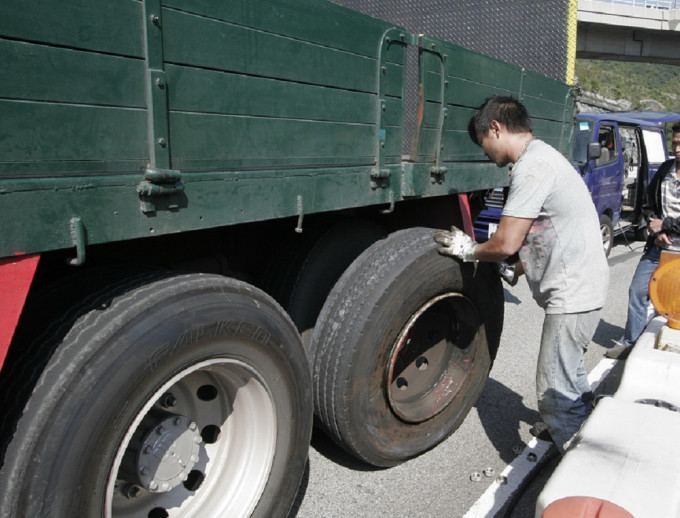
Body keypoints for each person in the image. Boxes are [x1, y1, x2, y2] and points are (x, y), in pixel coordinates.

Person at [434, 95, 610, 454]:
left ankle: (578, 474)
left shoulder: (532, 168)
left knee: (554, 392)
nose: (484, 152)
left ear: (495, 127)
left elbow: (504, 240)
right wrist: (518, 265)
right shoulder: (546, 157)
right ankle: (580, 422)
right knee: (572, 372)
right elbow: (551, 229)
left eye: (482, 141)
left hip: (573, 295)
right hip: (586, 287)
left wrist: (469, 249)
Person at [609, 123, 680, 358]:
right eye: (675, 143)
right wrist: (655, 227)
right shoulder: (666, 170)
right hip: (659, 246)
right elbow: (649, 203)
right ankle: (632, 343)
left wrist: (667, 225)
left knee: (675, 302)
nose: (678, 148)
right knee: (638, 291)